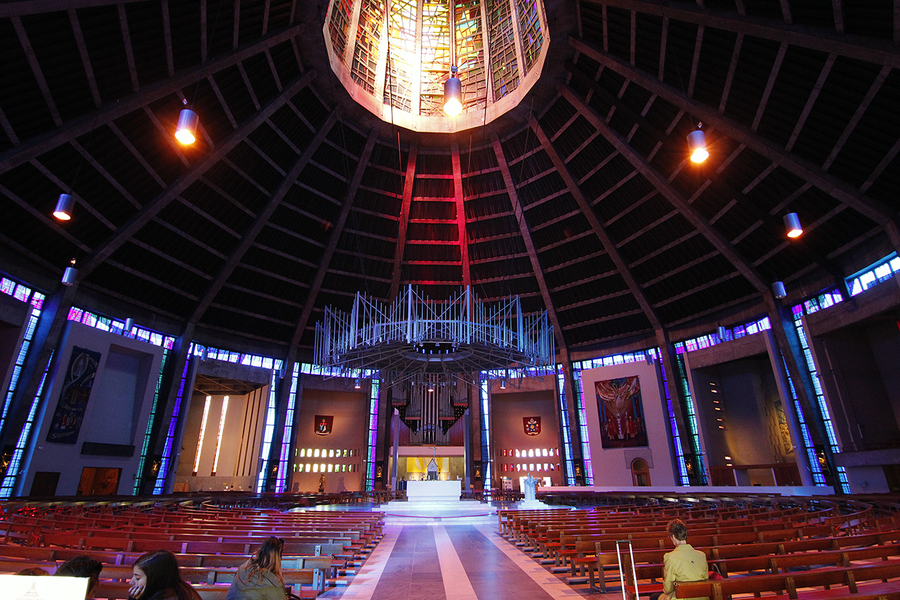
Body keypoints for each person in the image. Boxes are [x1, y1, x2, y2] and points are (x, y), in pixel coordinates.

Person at [649, 519, 708, 600]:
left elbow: (668, 587)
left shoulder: (670, 557)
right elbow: (705, 578)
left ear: (673, 536)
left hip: (682, 597)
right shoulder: (701, 555)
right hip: (701, 596)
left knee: (654, 597)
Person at [128, 549, 201, 600]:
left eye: (137, 578)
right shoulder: (182, 589)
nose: (131, 582)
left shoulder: (170, 597)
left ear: (155, 579)